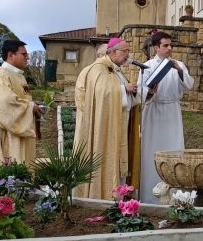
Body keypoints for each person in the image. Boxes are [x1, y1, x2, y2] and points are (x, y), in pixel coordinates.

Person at [73, 38, 140, 199]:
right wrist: (124, 89)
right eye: (126, 51)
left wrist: (135, 91)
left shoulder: (114, 69)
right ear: (114, 51)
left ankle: (117, 197)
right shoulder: (99, 68)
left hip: (114, 124)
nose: (128, 55)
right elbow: (102, 94)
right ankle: (101, 196)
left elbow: (120, 95)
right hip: (101, 127)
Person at [137, 31, 194, 203]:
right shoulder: (147, 66)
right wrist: (149, 92)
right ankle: (149, 196)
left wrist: (180, 72)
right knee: (152, 152)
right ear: (156, 47)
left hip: (172, 112)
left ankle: (176, 198)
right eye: (165, 45)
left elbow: (189, 85)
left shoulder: (178, 65)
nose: (170, 48)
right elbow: (140, 92)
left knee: (174, 150)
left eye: (170, 45)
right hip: (153, 111)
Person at [0, 40, 42, 192]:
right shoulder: (0, 76)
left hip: (21, 132)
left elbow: (21, 99)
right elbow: (5, 104)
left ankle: (23, 192)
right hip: (8, 135)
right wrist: (30, 107)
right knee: (8, 172)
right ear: (10, 55)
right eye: (24, 54)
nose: (27, 57)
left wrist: (33, 106)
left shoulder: (19, 76)